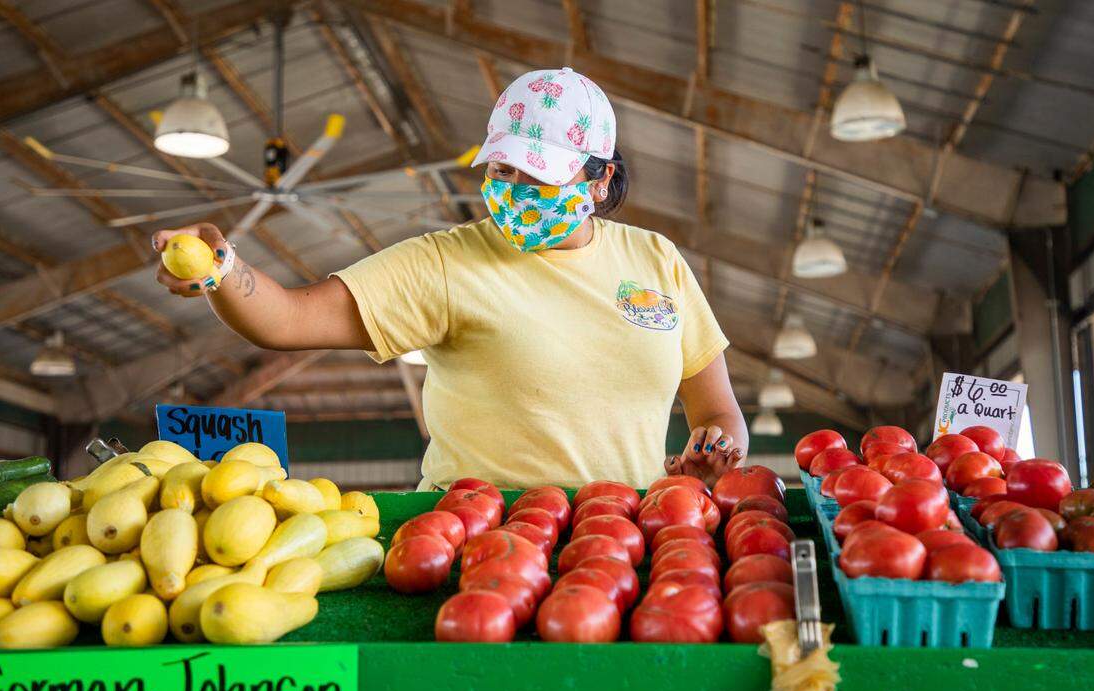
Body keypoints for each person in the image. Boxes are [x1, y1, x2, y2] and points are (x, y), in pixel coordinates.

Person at [153, 67, 747, 491]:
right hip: (478, 537)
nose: (510, 189)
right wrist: (222, 270)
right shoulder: (445, 263)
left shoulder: (657, 261)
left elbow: (717, 413)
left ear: (598, 180)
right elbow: (286, 318)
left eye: (535, 176)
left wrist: (713, 455)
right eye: (501, 167)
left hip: (625, 542)